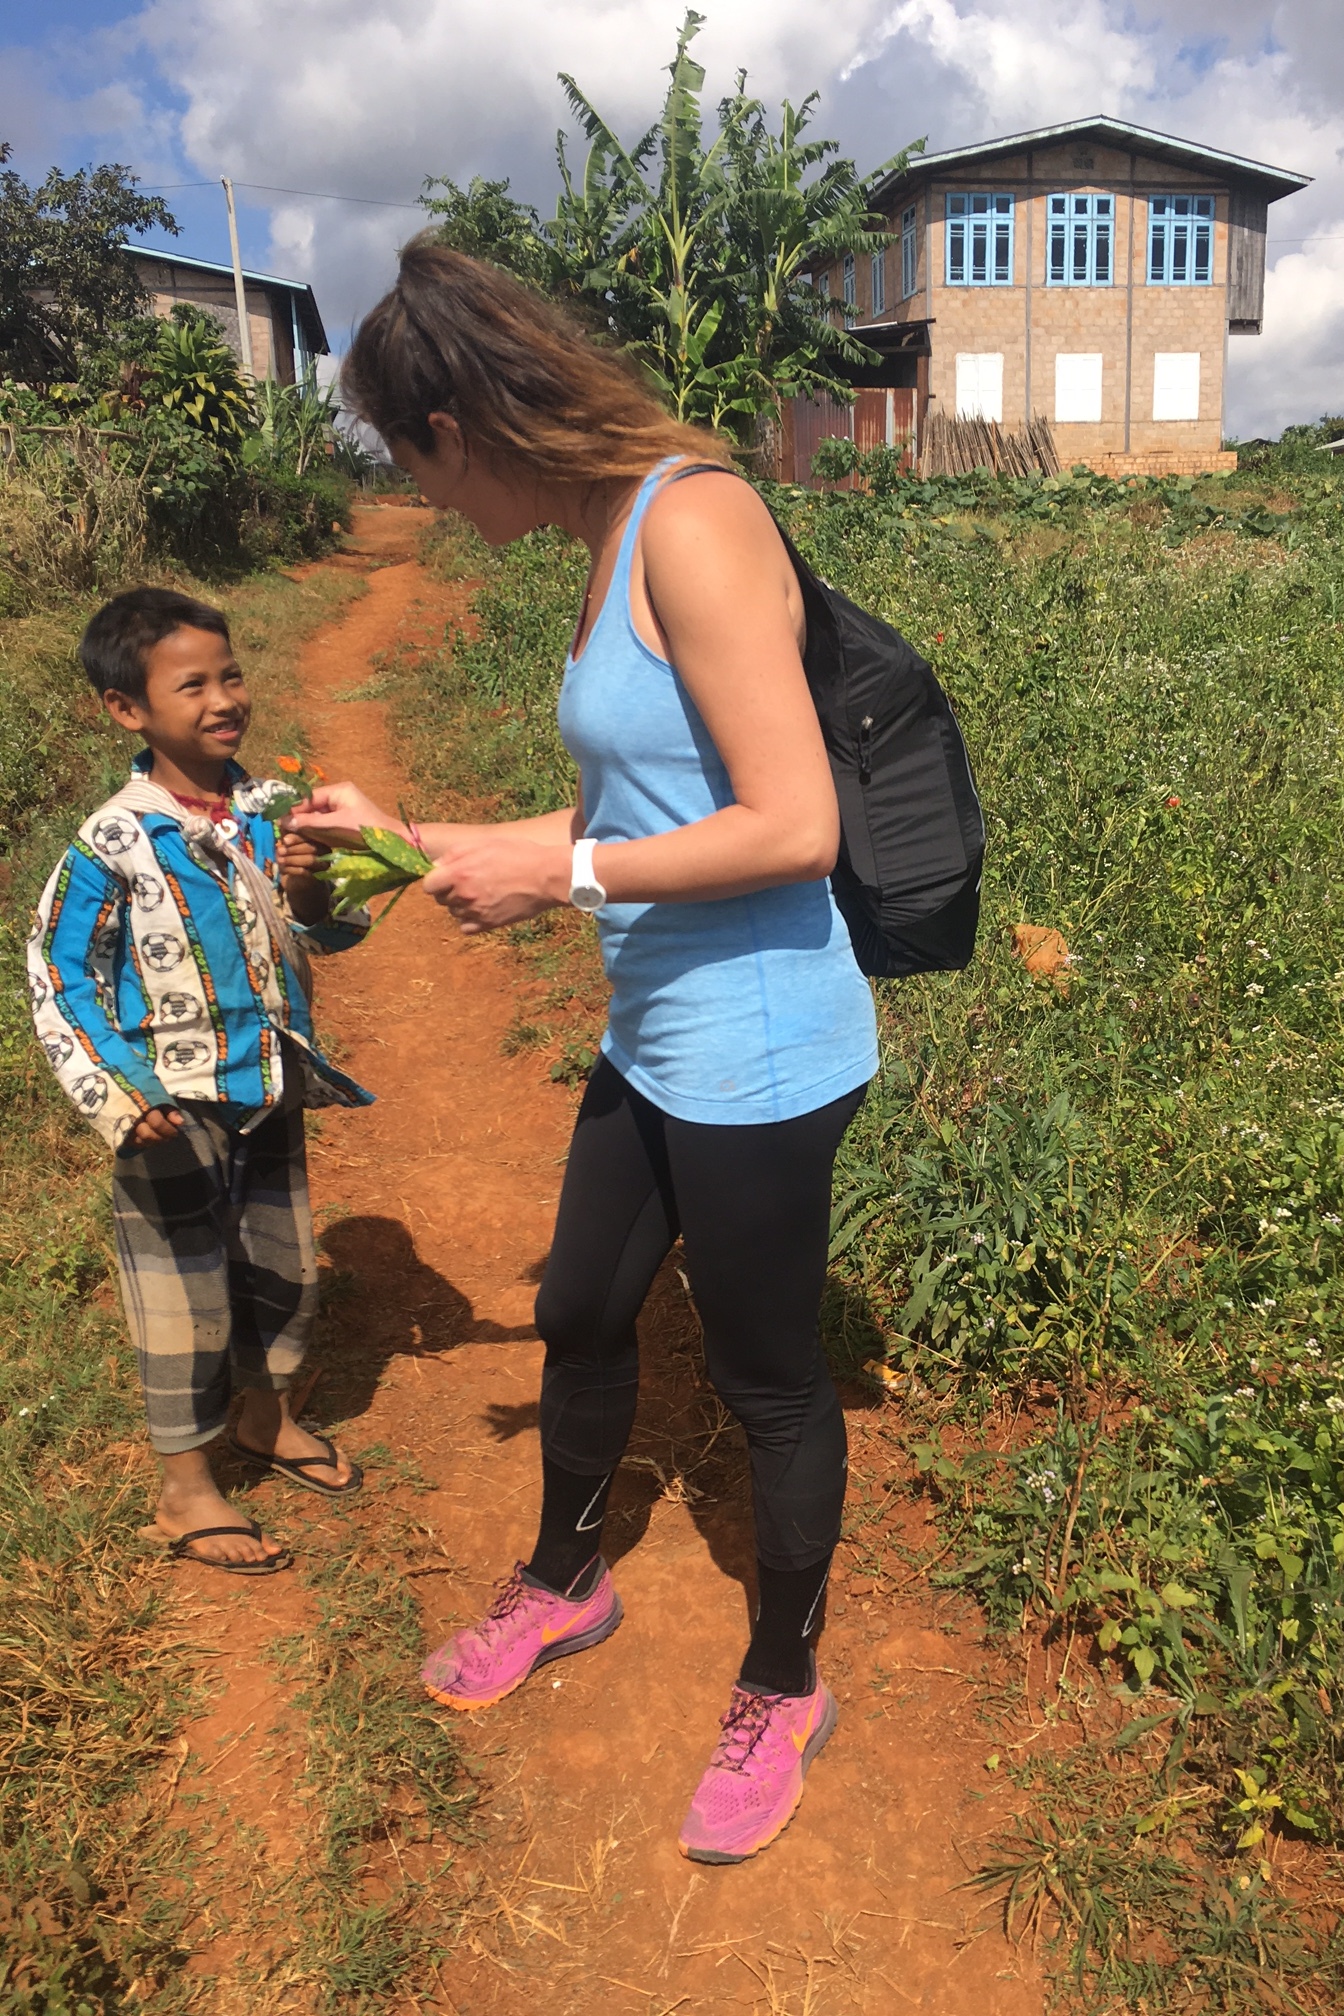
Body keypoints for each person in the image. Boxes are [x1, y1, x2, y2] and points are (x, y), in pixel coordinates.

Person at [292, 241, 878, 1864]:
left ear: (458, 421)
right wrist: (422, 844)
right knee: (582, 1305)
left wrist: (560, 872)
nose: (424, 504)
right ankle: (566, 1578)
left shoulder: (689, 522)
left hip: (759, 1051)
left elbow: (795, 823)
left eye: (412, 467)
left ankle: (784, 1674)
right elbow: (637, 816)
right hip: (657, 1030)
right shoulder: (610, 533)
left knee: (764, 1380)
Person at [28, 588, 373, 1576]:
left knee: (283, 1267)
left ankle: (265, 1419)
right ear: (125, 710)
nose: (224, 698)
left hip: (268, 1087)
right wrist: (123, 1096)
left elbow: (326, 931)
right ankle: (184, 1489)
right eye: (194, 685)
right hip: (168, 1114)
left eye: (231, 675)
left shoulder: (262, 817)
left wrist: (310, 879)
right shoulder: (112, 843)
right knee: (182, 1295)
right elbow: (57, 972)